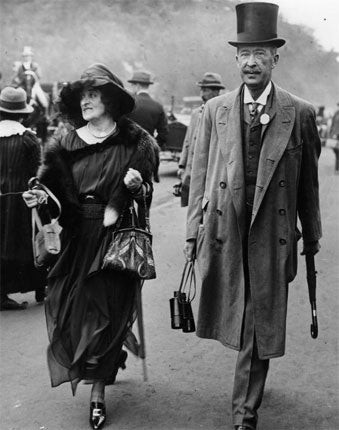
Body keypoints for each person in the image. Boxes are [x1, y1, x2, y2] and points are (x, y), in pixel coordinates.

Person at [184, 3, 322, 430]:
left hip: (273, 230)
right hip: (226, 229)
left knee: (257, 318)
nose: (251, 61)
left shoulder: (298, 113)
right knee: (241, 317)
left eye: (261, 53)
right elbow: (200, 176)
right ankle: (249, 391)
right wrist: (192, 235)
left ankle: (244, 411)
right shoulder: (215, 111)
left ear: (275, 59)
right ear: (235, 59)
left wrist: (311, 234)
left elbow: (308, 185)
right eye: (244, 53)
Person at [23, 63, 158, 430]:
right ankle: (106, 360)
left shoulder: (137, 143)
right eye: (82, 96)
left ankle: (97, 395)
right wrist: (40, 199)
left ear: (111, 100)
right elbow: (55, 201)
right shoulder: (64, 144)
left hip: (114, 240)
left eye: (94, 94)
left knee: (108, 311)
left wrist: (136, 187)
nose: (86, 101)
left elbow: (146, 195)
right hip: (77, 239)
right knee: (75, 313)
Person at [0, 86, 46, 310]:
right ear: (22, 113)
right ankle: (39, 284)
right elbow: (35, 172)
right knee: (27, 241)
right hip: (21, 198)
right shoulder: (28, 139)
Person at [177, 72, 225, 206]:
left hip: (212, 172)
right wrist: (181, 165)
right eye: (201, 90)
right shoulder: (195, 113)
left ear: (216, 92)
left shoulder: (223, 113)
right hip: (192, 171)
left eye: (205, 90)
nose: (201, 94)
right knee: (193, 207)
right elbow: (187, 141)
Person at [127, 70, 168, 149]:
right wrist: (152, 146)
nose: (131, 88)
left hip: (128, 149)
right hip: (147, 151)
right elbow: (163, 134)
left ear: (137, 86)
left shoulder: (128, 103)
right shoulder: (158, 106)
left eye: (132, 85)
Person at [329, 102, 339, 173]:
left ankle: (337, 169)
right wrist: (331, 134)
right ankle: (337, 168)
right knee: (336, 151)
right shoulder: (336, 113)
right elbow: (332, 124)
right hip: (335, 135)